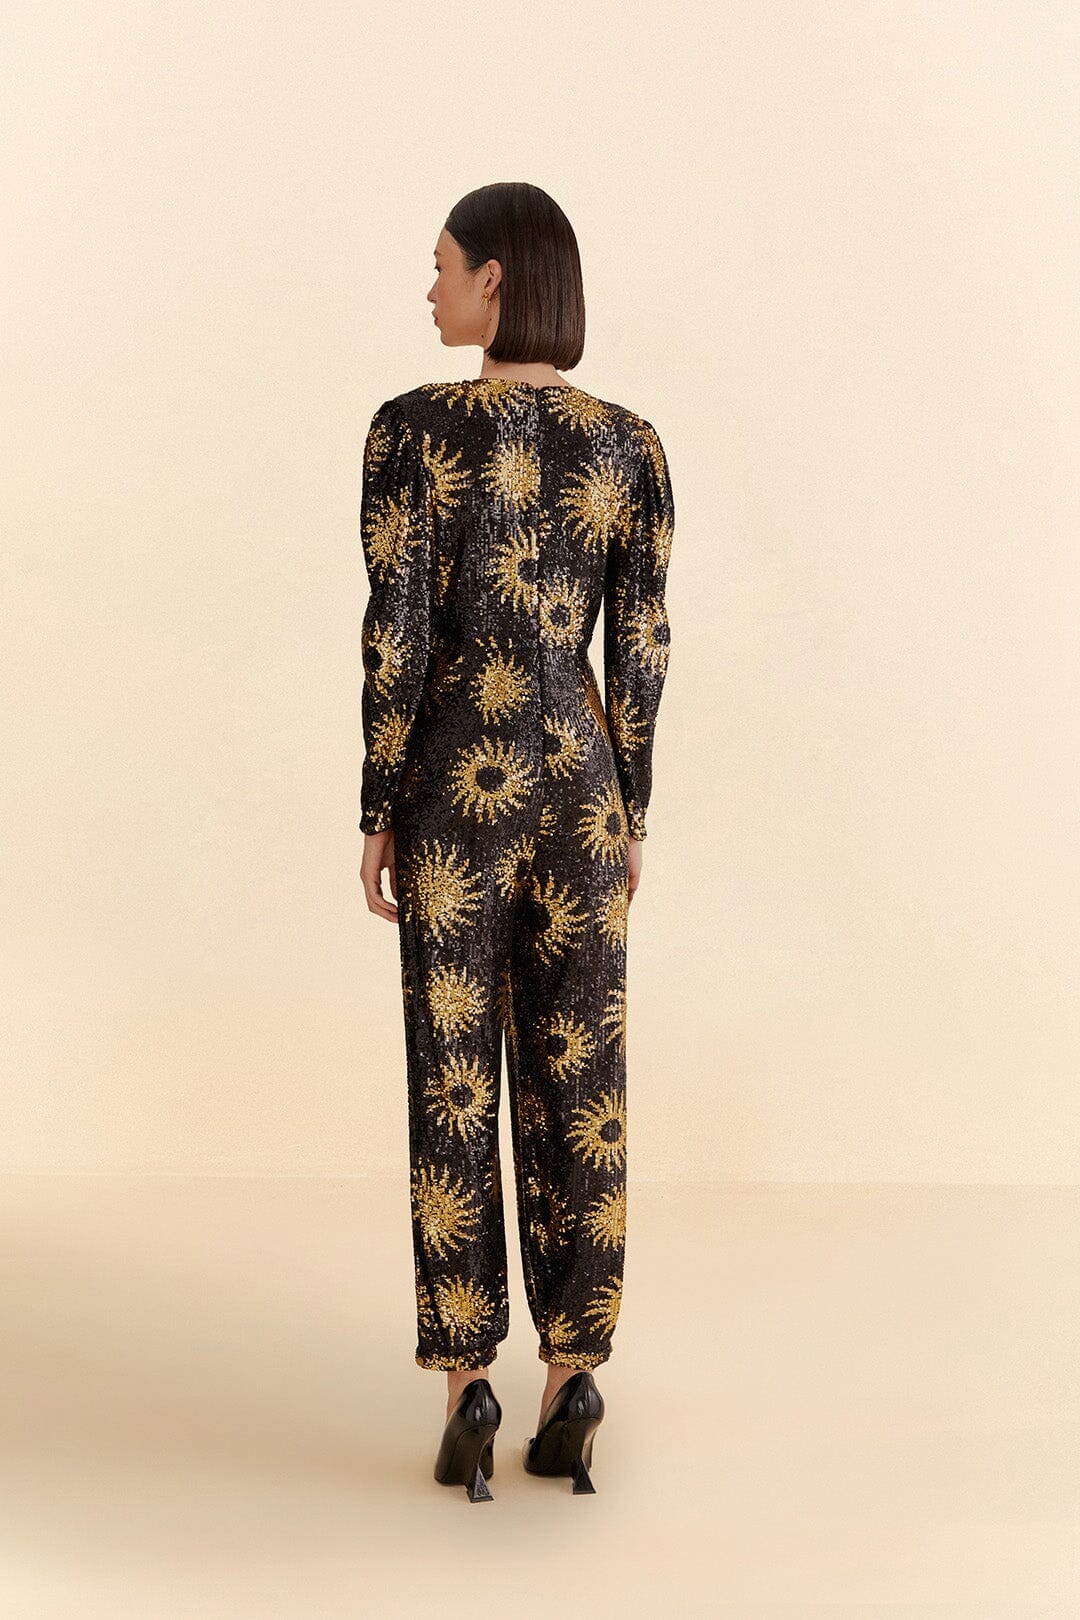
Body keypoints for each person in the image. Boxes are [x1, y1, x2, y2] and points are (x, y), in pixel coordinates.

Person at [357, 182, 675, 1498]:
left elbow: (396, 634)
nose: (429, 287)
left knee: (455, 1081)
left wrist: (379, 803)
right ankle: (574, 1376)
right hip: (581, 790)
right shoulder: (630, 446)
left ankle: (468, 1385)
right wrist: (630, 808)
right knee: (579, 1082)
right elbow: (640, 644)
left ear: (494, 280)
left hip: (455, 788)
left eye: (442, 266)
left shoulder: (411, 432)